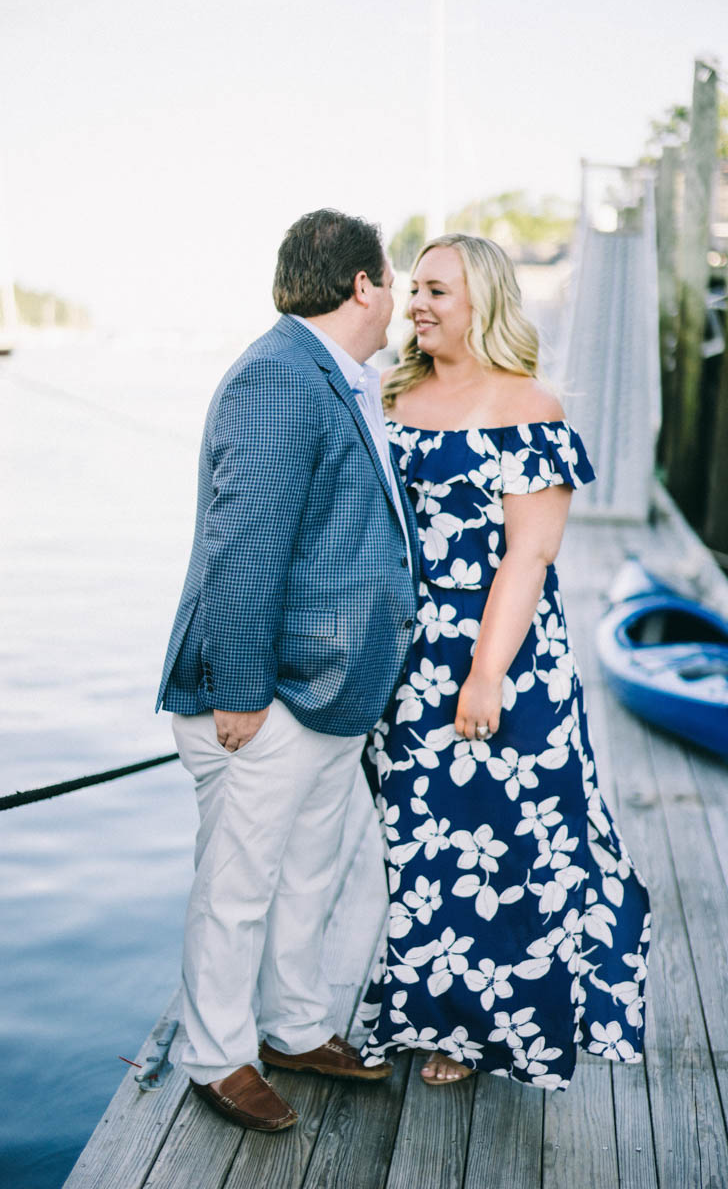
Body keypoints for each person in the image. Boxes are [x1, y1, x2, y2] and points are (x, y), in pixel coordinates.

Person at [357, 234, 650, 1088]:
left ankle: (489, 1032)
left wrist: (484, 675)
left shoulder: (531, 406)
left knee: (511, 842)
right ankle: (433, 1010)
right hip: (406, 660)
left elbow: (529, 556)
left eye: (437, 292)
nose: (417, 305)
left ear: (481, 301)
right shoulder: (393, 394)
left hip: (505, 656)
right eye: (416, 290)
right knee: (423, 843)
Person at [155, 209, 420, 1130]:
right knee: (239, 887)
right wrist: (238, 692)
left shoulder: (339, 378)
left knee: (310, 874)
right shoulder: (276, 378)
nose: (396, 300)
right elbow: (243, 550)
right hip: (269, 696)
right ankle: (217, 1057)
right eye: (390, 281)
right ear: (360, 287)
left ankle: (295, 1025)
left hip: (329, 695)